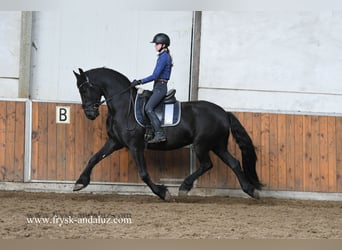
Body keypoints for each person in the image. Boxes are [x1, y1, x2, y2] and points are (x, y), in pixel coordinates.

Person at [132, 33, 173, 143]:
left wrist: (140, 81)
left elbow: (155, 75)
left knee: (148, 108)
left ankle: (160, 134)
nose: (155, 46)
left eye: (157, 44)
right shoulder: (162, 56)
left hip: (161, 87)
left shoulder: (164, 57)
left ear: (163, 45)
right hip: (157, 86)